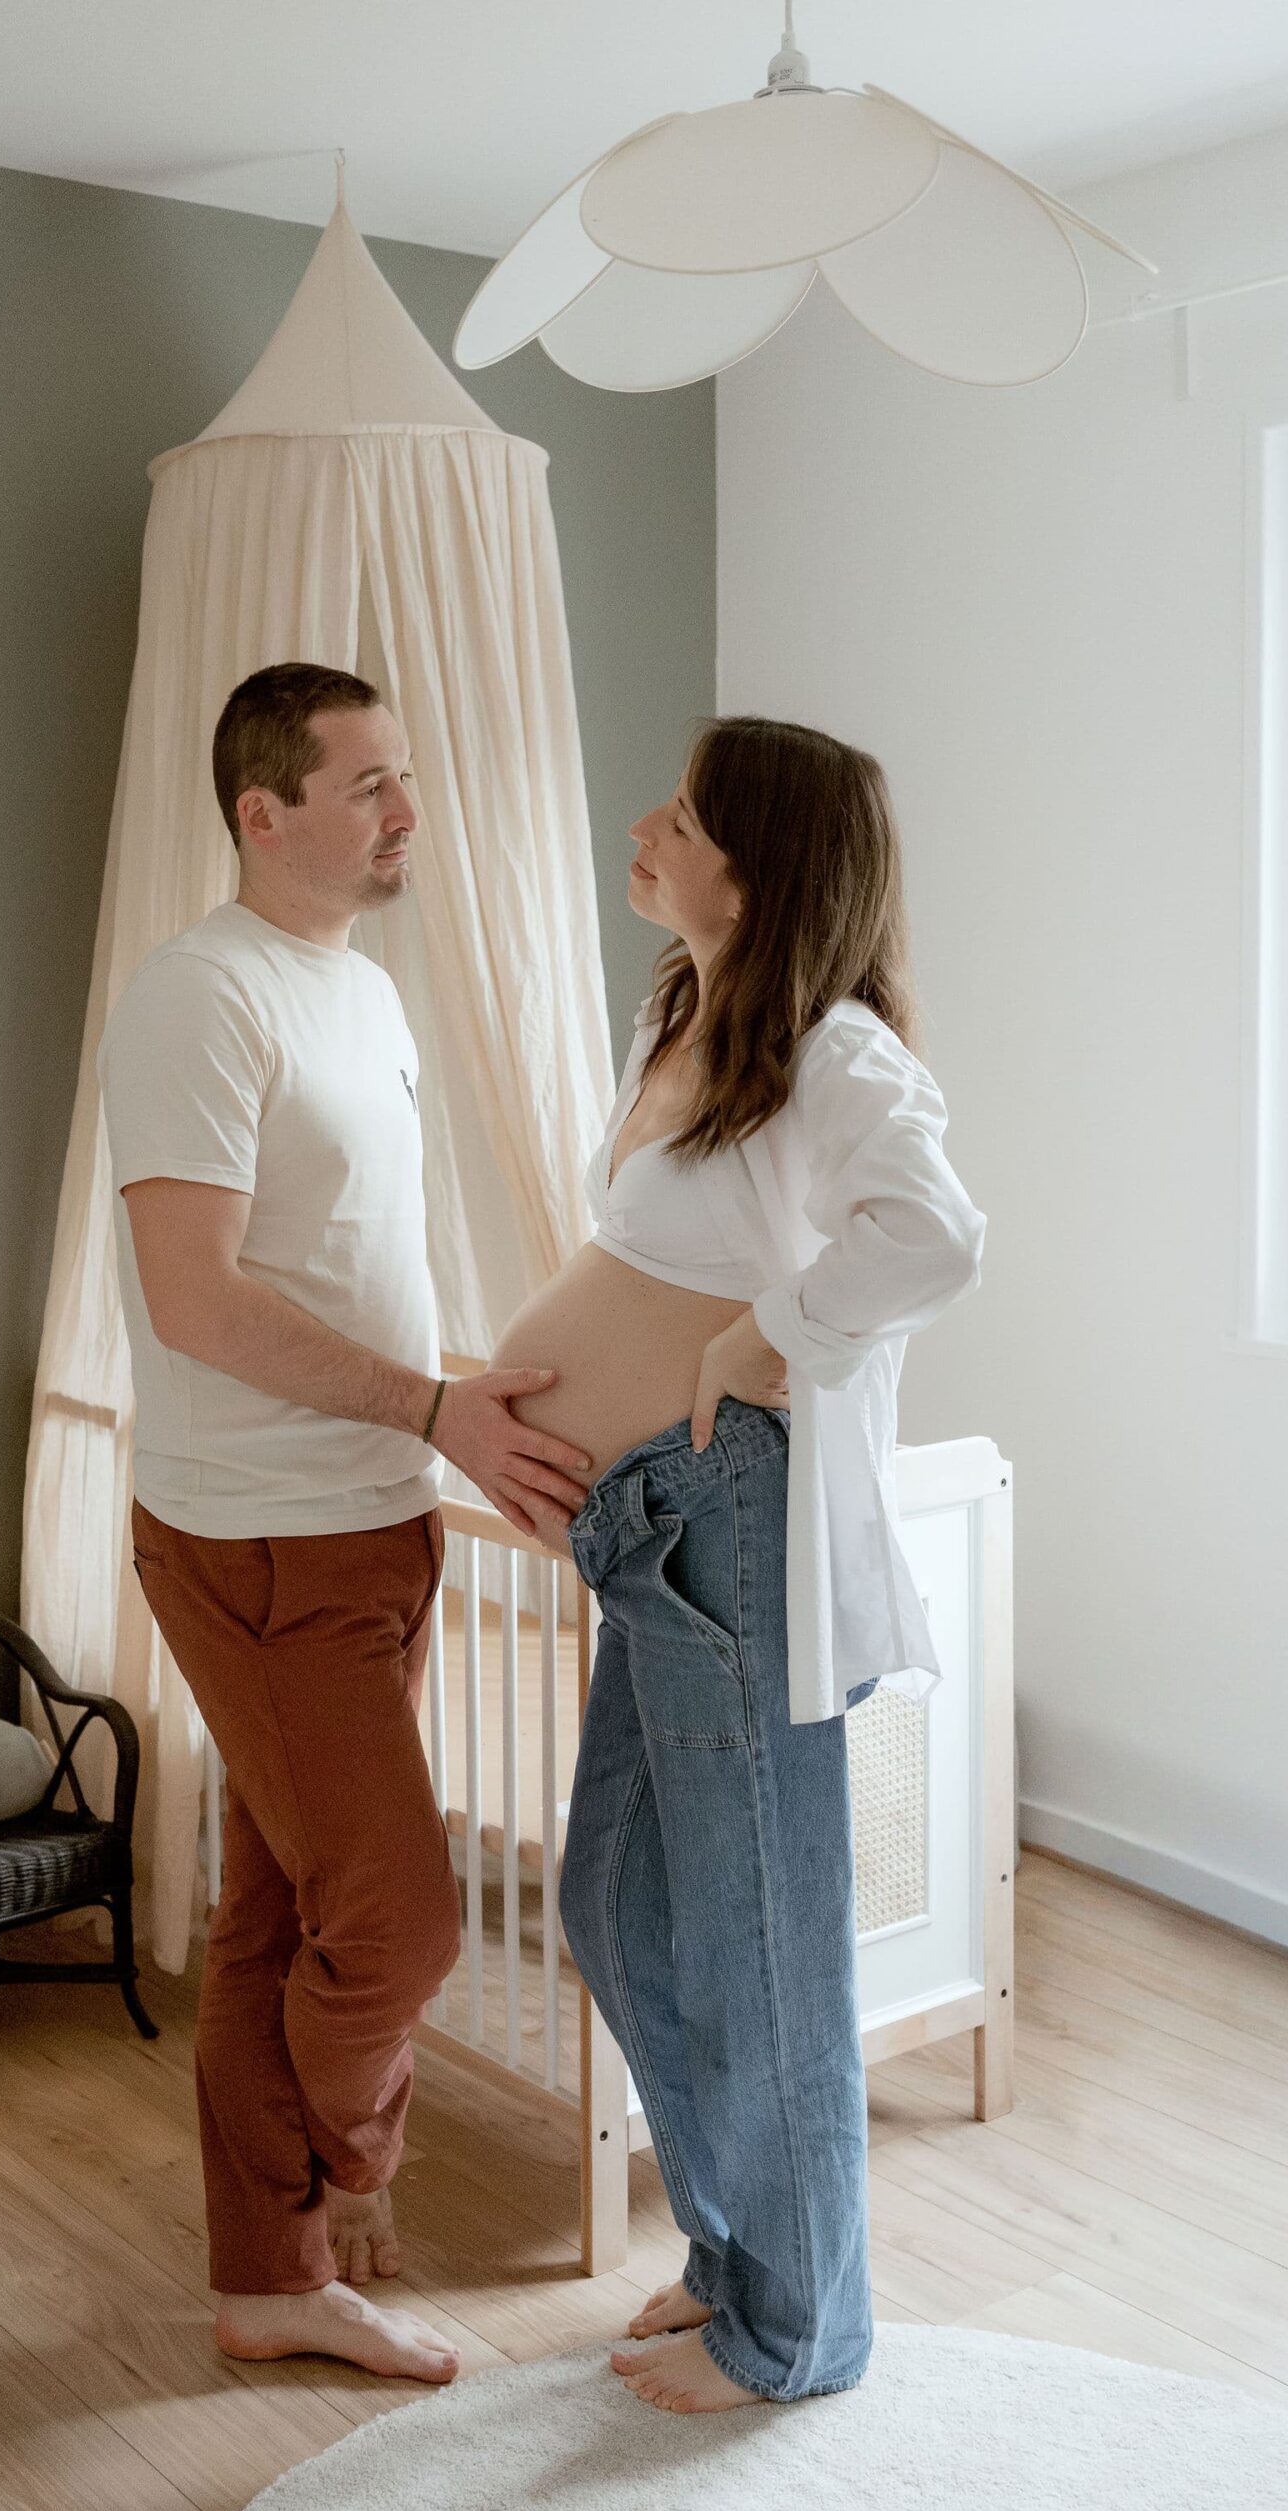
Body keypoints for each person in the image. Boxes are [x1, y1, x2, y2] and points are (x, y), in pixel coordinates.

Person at [98, 662, 593, 2384]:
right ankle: (345, 2175)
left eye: (405, 777)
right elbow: (199, 1304)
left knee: (278, 1916)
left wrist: (467, 1401)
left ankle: (270, 2279)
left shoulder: (355, 992)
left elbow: (347, 1271)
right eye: (370, 782)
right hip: (257, 1543)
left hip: (374, 1523)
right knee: (401, 1919)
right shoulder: (198, 998)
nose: (407, 810)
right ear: (265, 811)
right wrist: (435, 1412)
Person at [494, 715, 986, 2414]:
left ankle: (803, 2333)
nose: (645, 826)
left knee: (760, 1931)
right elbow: (645, 1248)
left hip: (734, 1527)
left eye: (684, 816)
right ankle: (731, 2260)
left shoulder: (839, 1049)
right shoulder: (690, 1012)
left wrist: (762, 1340)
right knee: (615, 1903)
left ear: (758, 864)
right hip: (653, 1533)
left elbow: (935, 1232)